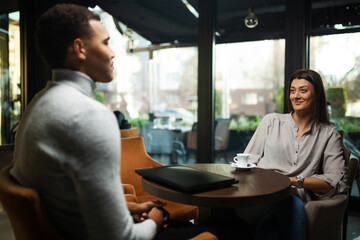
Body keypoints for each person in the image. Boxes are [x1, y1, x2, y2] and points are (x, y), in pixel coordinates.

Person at [9, 4, 241, 240]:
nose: (113, 53)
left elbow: (66, 197)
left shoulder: (37, 106)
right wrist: (155, 221)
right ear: (79, 48)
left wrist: (129, 208)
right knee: (229, 232)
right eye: (106, 42)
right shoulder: (88, 116)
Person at [241, 69, 348, 239]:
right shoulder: (271, 121)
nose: (296, 96)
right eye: (292, 90)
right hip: (260, 196)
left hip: (292, 198)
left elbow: (334, 181)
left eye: (303, 90)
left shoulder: (328, 133)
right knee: (287, 210)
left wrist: (291, 181)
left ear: (317, 95)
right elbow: (246, 163)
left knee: (273, 224)